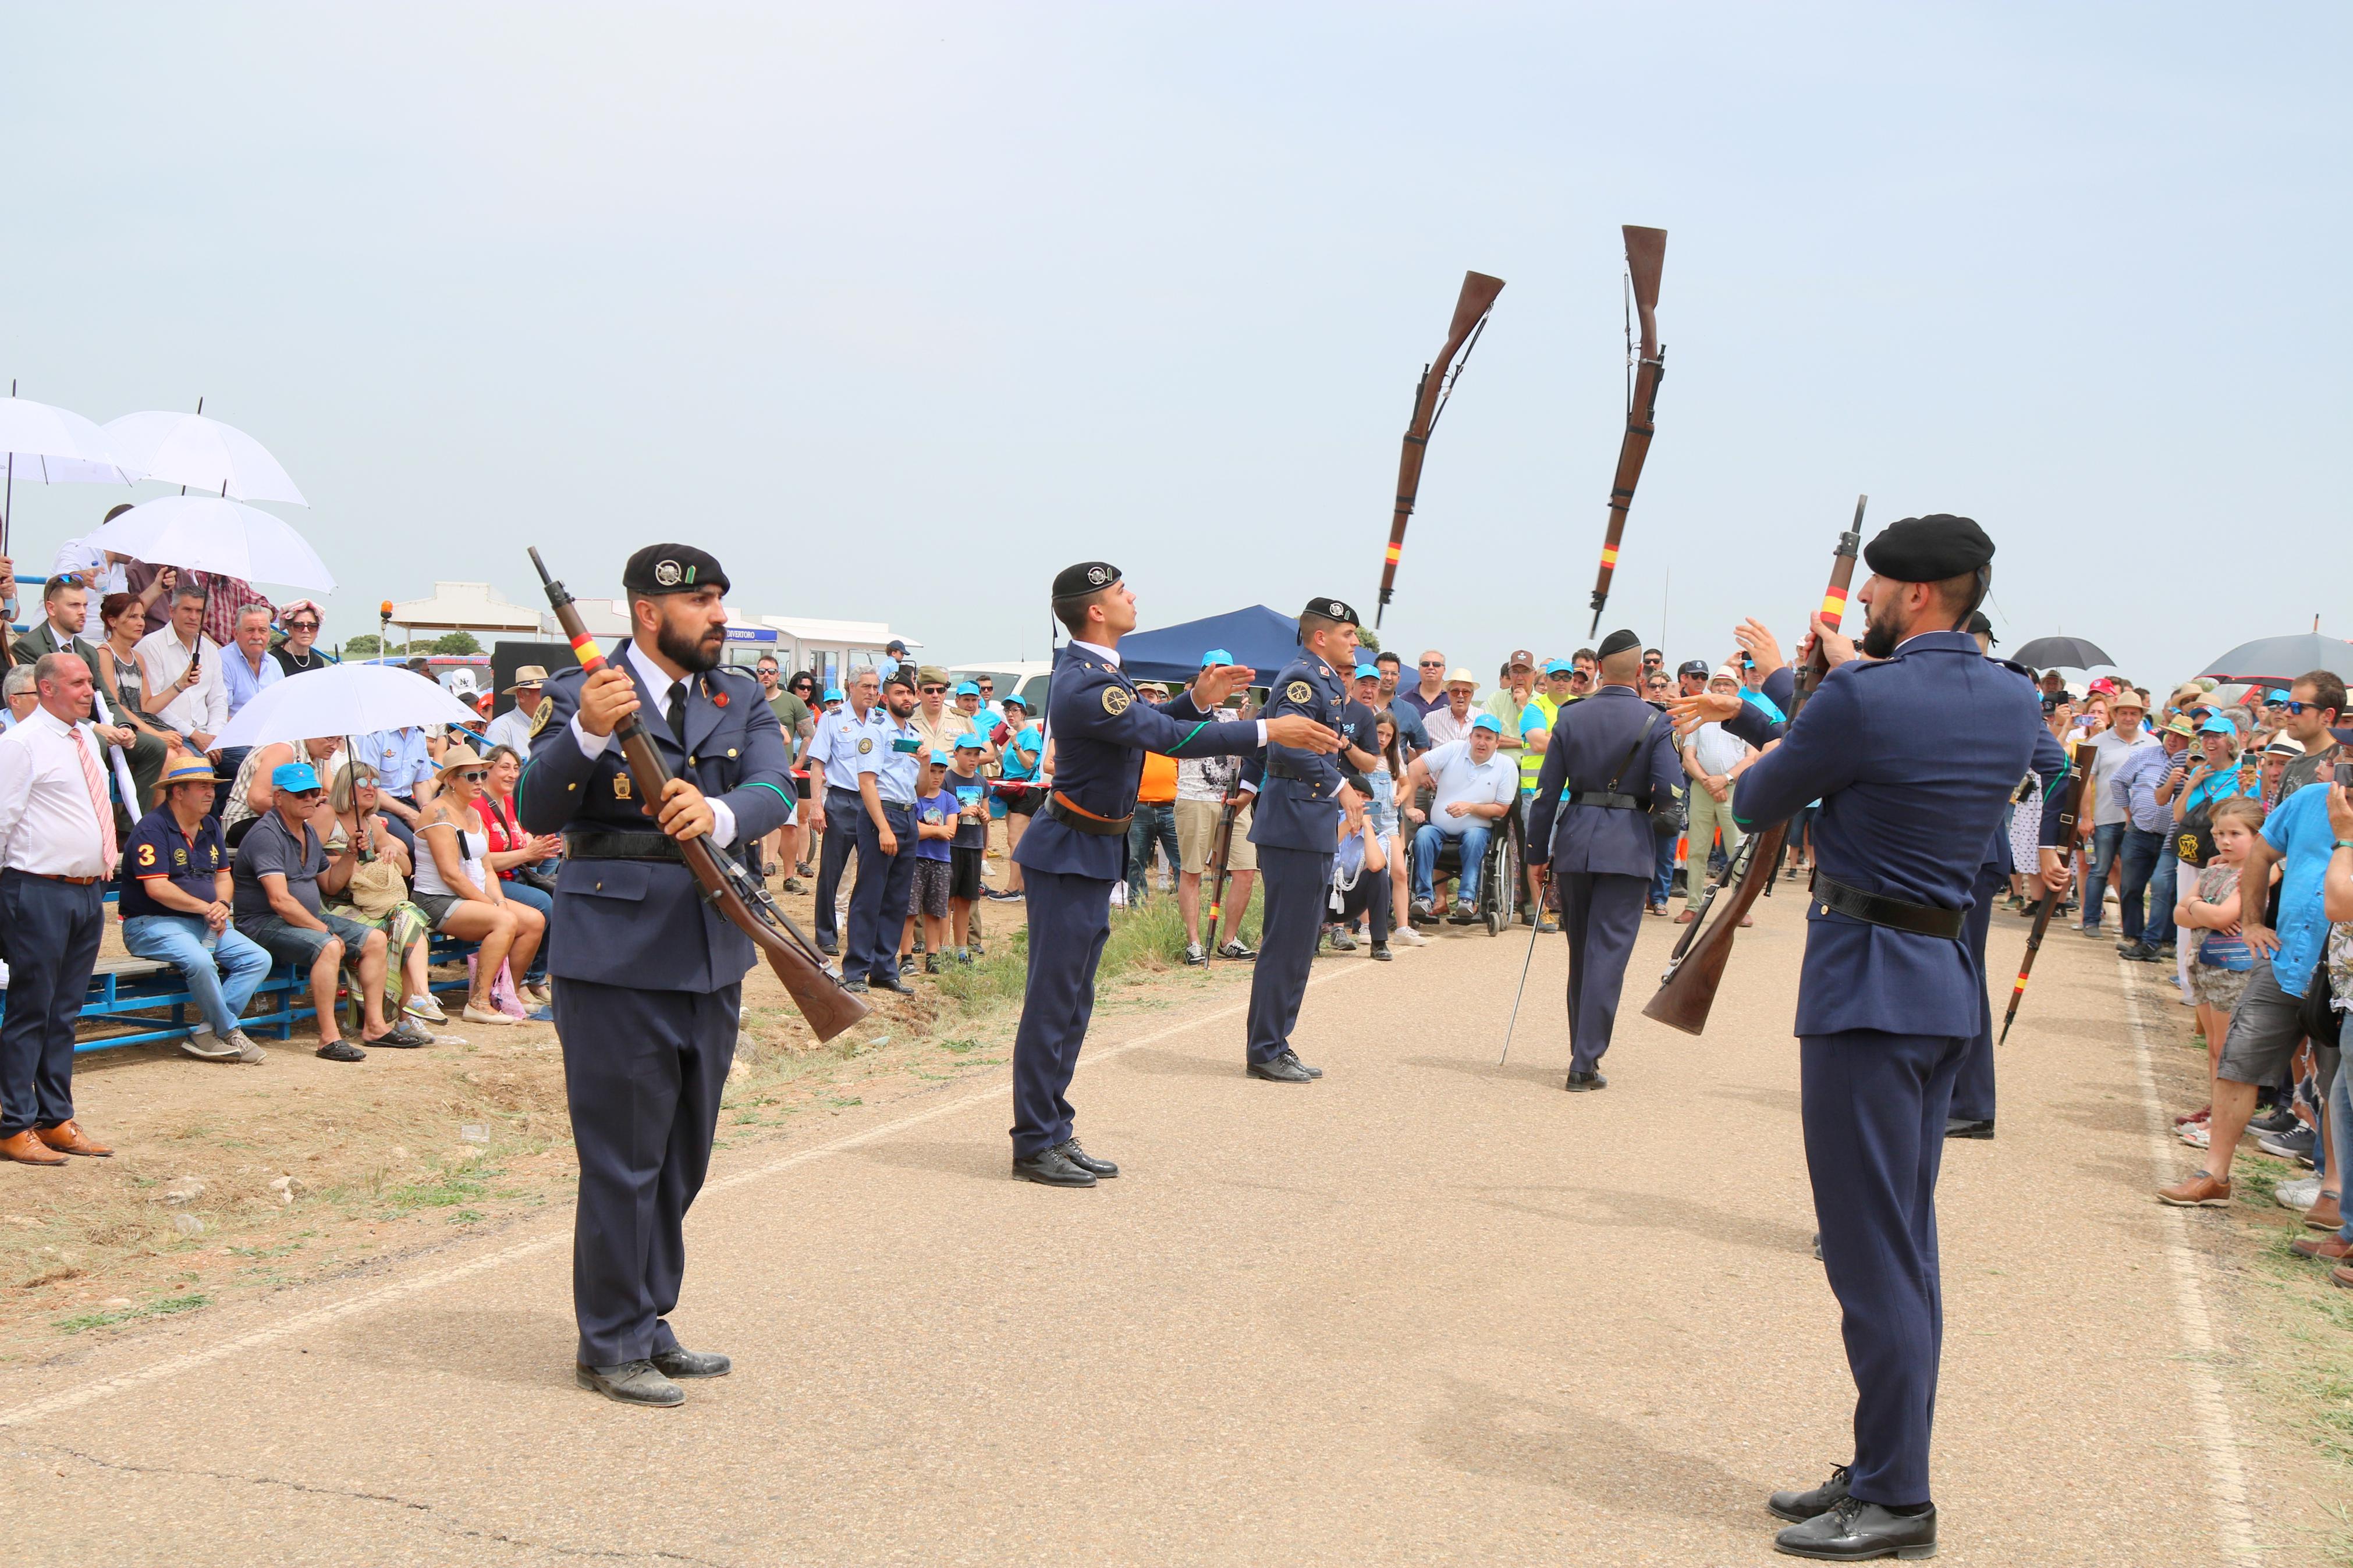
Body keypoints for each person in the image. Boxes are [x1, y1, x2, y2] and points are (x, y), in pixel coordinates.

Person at [1709, 515, 2060, 1560]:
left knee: (1872, 1258)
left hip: (1865, 986)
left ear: (1914, 596)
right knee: (1905, 1247)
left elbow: (1756, 802)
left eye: (1870, 590)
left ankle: (1896, 1493)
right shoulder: (2012, 695)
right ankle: (1877, 1466)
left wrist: (1804, 695)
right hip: (1943, 978)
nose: (1857, 603)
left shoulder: (1862, 695)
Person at [517, 542, 792, 1407]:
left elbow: (777, 789)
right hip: (615, 951)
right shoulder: (576, 694)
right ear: (649, 611)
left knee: (681, 1155)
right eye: (704, 600)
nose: (719, 615)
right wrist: (589, 731)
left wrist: (717, 810)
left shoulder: (735, 693)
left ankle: (646, 1313)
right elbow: (534, 808)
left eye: (720, 598)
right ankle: (609, 1340)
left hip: (712, 944)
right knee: (623, 1158)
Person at [1008, 563, 1329, 1184]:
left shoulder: (1102, 671)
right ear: (1094, 610)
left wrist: (1196, 700)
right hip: (1069, 851)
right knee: (1052, 1003)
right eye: (1120, 591)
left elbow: (1138, 731)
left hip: (1088, 849)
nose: (1133, 597)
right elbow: (1163, 736)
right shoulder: (1085, 680)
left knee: (1074, 1002)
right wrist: (1267, 727)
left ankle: (1054, 1128)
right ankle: (1032, 1142)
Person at [2159, 733, 2339, 1212]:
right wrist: (2255, 921)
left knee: (2336, 1080)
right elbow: (2261, 853)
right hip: (2286, 958)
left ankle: (2333, 1192)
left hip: (2342, 971)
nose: (2337, 766)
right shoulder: (2306, 800)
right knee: (2237, 1062)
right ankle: (2213, 1174)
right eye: (2340, 755)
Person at [1524, 631, 1681, 1090]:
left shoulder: (1571, 716)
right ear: (1639, 673)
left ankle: (1581, 1049)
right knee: (1607, 954)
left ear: (1595, 671)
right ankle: (1584, 1060)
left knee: (1581, 953)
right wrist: (1641, 827)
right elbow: (1670, 797)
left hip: (1575, 844)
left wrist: (1536, 853)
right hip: (1627, 847)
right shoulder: (1656, 720)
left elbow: (1546, 793)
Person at [0, 653, 122, 1164]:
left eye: (90, 681)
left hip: (85, 890)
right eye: (76, 682)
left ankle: (54, 1116)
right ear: (45, 688)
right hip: (38, 888)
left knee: (64, 1011)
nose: (87, 690)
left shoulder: (87, 739)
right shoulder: (20, 743)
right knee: (32, 1008)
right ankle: (13, 1122)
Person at [1244, 596, 1367, 1085]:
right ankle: (1265, 1048)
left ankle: (1276, 1041)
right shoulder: (1301, 679)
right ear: (1321, 637)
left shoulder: (1324, 681)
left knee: (1300, 941)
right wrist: (1340, 786)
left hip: (1307, 820)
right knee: (1287, 940)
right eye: (1348, 634)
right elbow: (1285, 744)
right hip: (1294, 820)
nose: (1355, 642)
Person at [232, 759, 416, 1061]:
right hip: (264, 922)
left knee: (375, 940)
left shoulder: (305, 830)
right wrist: (323, 930)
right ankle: (329, 1038)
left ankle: (375, 1027)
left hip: (301, 918)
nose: (310, 799)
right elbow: (279, 900)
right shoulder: (267, 834)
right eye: (300, 794)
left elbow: (330, 884)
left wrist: (350, 854)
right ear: (278, 797)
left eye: (314, 792)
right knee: (329, 946)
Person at [118, 755, 274, 1064]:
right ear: (178, 792)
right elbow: (157, 888)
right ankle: (230, 1031)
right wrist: (207, 908)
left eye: (212, 788)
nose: (210, 794)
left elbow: (223, 876)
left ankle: (205, 1032)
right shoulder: (152, 829)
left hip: (204, 921)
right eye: (202, 787)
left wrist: (222, 905)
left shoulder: (210, 824)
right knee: (201, 961)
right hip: (152, 923)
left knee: (258, 958)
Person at [414, 743, 546, 1025]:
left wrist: (497, 901)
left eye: (482, 775)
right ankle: (478, 1002)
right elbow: (450, 875)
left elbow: (486, 868)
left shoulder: (474, 813)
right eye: (471, 776)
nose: (479, 782)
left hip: (466, 896)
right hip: (436, 899)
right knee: (505, 921)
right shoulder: (438, 812)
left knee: (534, 920)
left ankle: (505, 993)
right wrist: (494, 907)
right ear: (451, 780)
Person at [15, 573, 165, 815]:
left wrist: (123, 726)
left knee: (155, 747)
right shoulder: (29, 647)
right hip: (57, 728)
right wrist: (93, 727)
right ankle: (97, 820)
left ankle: (130, 831)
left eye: (85, 605)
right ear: (51, 609)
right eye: (74, 605)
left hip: (94, 725)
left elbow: (105, 699)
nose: (83, 612)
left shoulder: (87, 651)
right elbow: (40, 702)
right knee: (96, 742)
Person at [2172, 798, 2269, 1150]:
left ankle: (2225, 1120)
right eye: (2218, 834)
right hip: (2203, 964)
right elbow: (2177, 915)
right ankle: (2216, 1108)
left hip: (2234, 968)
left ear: (2258, 836)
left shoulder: (2260, 871)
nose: (2225, 841)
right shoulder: (2213, 870)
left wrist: (2194, 907)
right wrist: (2198, 910)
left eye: (2235, 834)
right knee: (2213, 1045)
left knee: (2229, 1048)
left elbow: (2221, 917)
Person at [322, 762, 446, 1029]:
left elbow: (407, 868)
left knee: (410, 918)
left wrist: (392, 851)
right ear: (346, 786)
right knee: (407, 925)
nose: (371, 788)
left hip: (369, 902)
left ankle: (418, 999)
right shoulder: (326, 815)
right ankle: (407, 1013)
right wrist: (345, 860)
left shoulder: (370, 822)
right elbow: (307, 860)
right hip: (334, 904)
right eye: (363, 783)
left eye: (376, 783)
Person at [843, 670, 924, 995]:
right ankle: (855, 970)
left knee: (896, 898)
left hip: (908, 814)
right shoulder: (875, 731)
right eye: (899, 693)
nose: (906, 698)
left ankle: (884, 969)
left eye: (910, 693)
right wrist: (883, 828)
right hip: (883, 815)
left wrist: (926, 759)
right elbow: (867, 783)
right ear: (885, 698)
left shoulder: (913, 733)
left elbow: (917, 787)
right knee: (870, 895)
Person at [1401, 714, 1518, 922]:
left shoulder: (1506, 766)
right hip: (1438, 827)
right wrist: (1409, 807)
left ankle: (1467, 899)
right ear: (1470, 738)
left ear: (1498, 743)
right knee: (1423, 836)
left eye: (1489, 738)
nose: (1482, 742)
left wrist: (1470, 808)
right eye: (1478, 736)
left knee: (1474, 839)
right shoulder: (1454, 749)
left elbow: (1501, 809)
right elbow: (1414, 767)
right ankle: (1424, 897)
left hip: (1476, 829)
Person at [803, 666, 881, 956]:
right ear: (850, 687)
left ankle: (863, 935)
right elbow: (817, 765)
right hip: (842, 802)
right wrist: (815, 806)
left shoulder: (881, 720)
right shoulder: (833, 720)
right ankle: (826, 934)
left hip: (874, 803)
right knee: (832, 872)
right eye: (865, 687)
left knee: (872, 873)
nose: (871, 692)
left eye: (875, 687)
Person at [480, 743, 559, 1004]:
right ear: (488, 769)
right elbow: (484, 861)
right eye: (504, 767)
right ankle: (520, 983)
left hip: (515, 876)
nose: (512, 774)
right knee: (543, 903)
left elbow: (527, 852)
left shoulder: (512, 803)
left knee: (559, 895)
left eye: (516, 768)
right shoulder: (478, 805)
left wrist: (541, 850)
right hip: (487, 882)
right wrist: (527, 854)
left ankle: (536, 979)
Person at [1677, 666, 1756, 925]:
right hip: (1702, 788)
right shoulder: (1702, 717)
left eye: (1728, 684)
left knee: (1737, 850)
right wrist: (1708, 781)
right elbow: (1688, 756)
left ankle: (1738, 908)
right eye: (1718, 684)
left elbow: (1752, 757)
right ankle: (1693, 905)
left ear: (1737, 689)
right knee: (1697, 850)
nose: (1722, 688)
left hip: (1733, 788)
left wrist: (1725, 779)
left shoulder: (1744, 719)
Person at [907, 751, 959, 972]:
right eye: (931, 771)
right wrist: (936, 830)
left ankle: (932, 956)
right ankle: (905, 957)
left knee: (934, 911)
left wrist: (926, 829)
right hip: (916, 859)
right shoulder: (914, 798)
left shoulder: (949, 799)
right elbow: (912, 831)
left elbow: (951, 831)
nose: (936, 776)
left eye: (940, 771)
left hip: (941, 861)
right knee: (909, 911)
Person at [944, 730, 990, 959]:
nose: (973, 759)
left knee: (966, 900)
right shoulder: (947, 779)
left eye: (976, 755)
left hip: (973, 845)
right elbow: (938, 811)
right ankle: (942, 947)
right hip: (952, 845)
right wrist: (960, 812)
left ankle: (961, 949)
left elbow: (988, 815)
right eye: (968, 754)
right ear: (956, 754)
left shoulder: (981, 781)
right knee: (947, 899)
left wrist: (983, 815)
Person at [992, 694, 1042, 898]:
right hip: (1012, 789)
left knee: (1015, 839)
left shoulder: (1029, 735)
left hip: (1027, 790)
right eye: (1007, 710)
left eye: (1015, 710)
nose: (1011, 714)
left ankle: (1013, 888)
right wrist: (995, 748)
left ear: (1023, 713)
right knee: (1019, 841)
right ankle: (1022, 886)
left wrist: (1015, 743)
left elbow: (1029, 764)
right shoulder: (1011, 735)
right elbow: (1008, 766)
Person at [2277, 671, 2348, 796]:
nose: (2286, 713)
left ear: (2327, 715)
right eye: (2286, 705)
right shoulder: (2292, 765)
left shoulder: (2341, 766)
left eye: (2297, 707)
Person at [483, 665, 550, 756]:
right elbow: (490, 767)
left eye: (549, 693)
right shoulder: (500, 729)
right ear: (521, 695)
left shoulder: (556, 726)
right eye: (541, 693)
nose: (547, 699)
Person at [1424, 669, 1479, 747]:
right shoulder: (1431, 719)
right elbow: (1413, 748)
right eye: (1455, 692)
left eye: (1465, 692)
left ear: (1472, 694)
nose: (1460, 695)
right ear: (1448, 694)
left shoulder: (1483, 717)